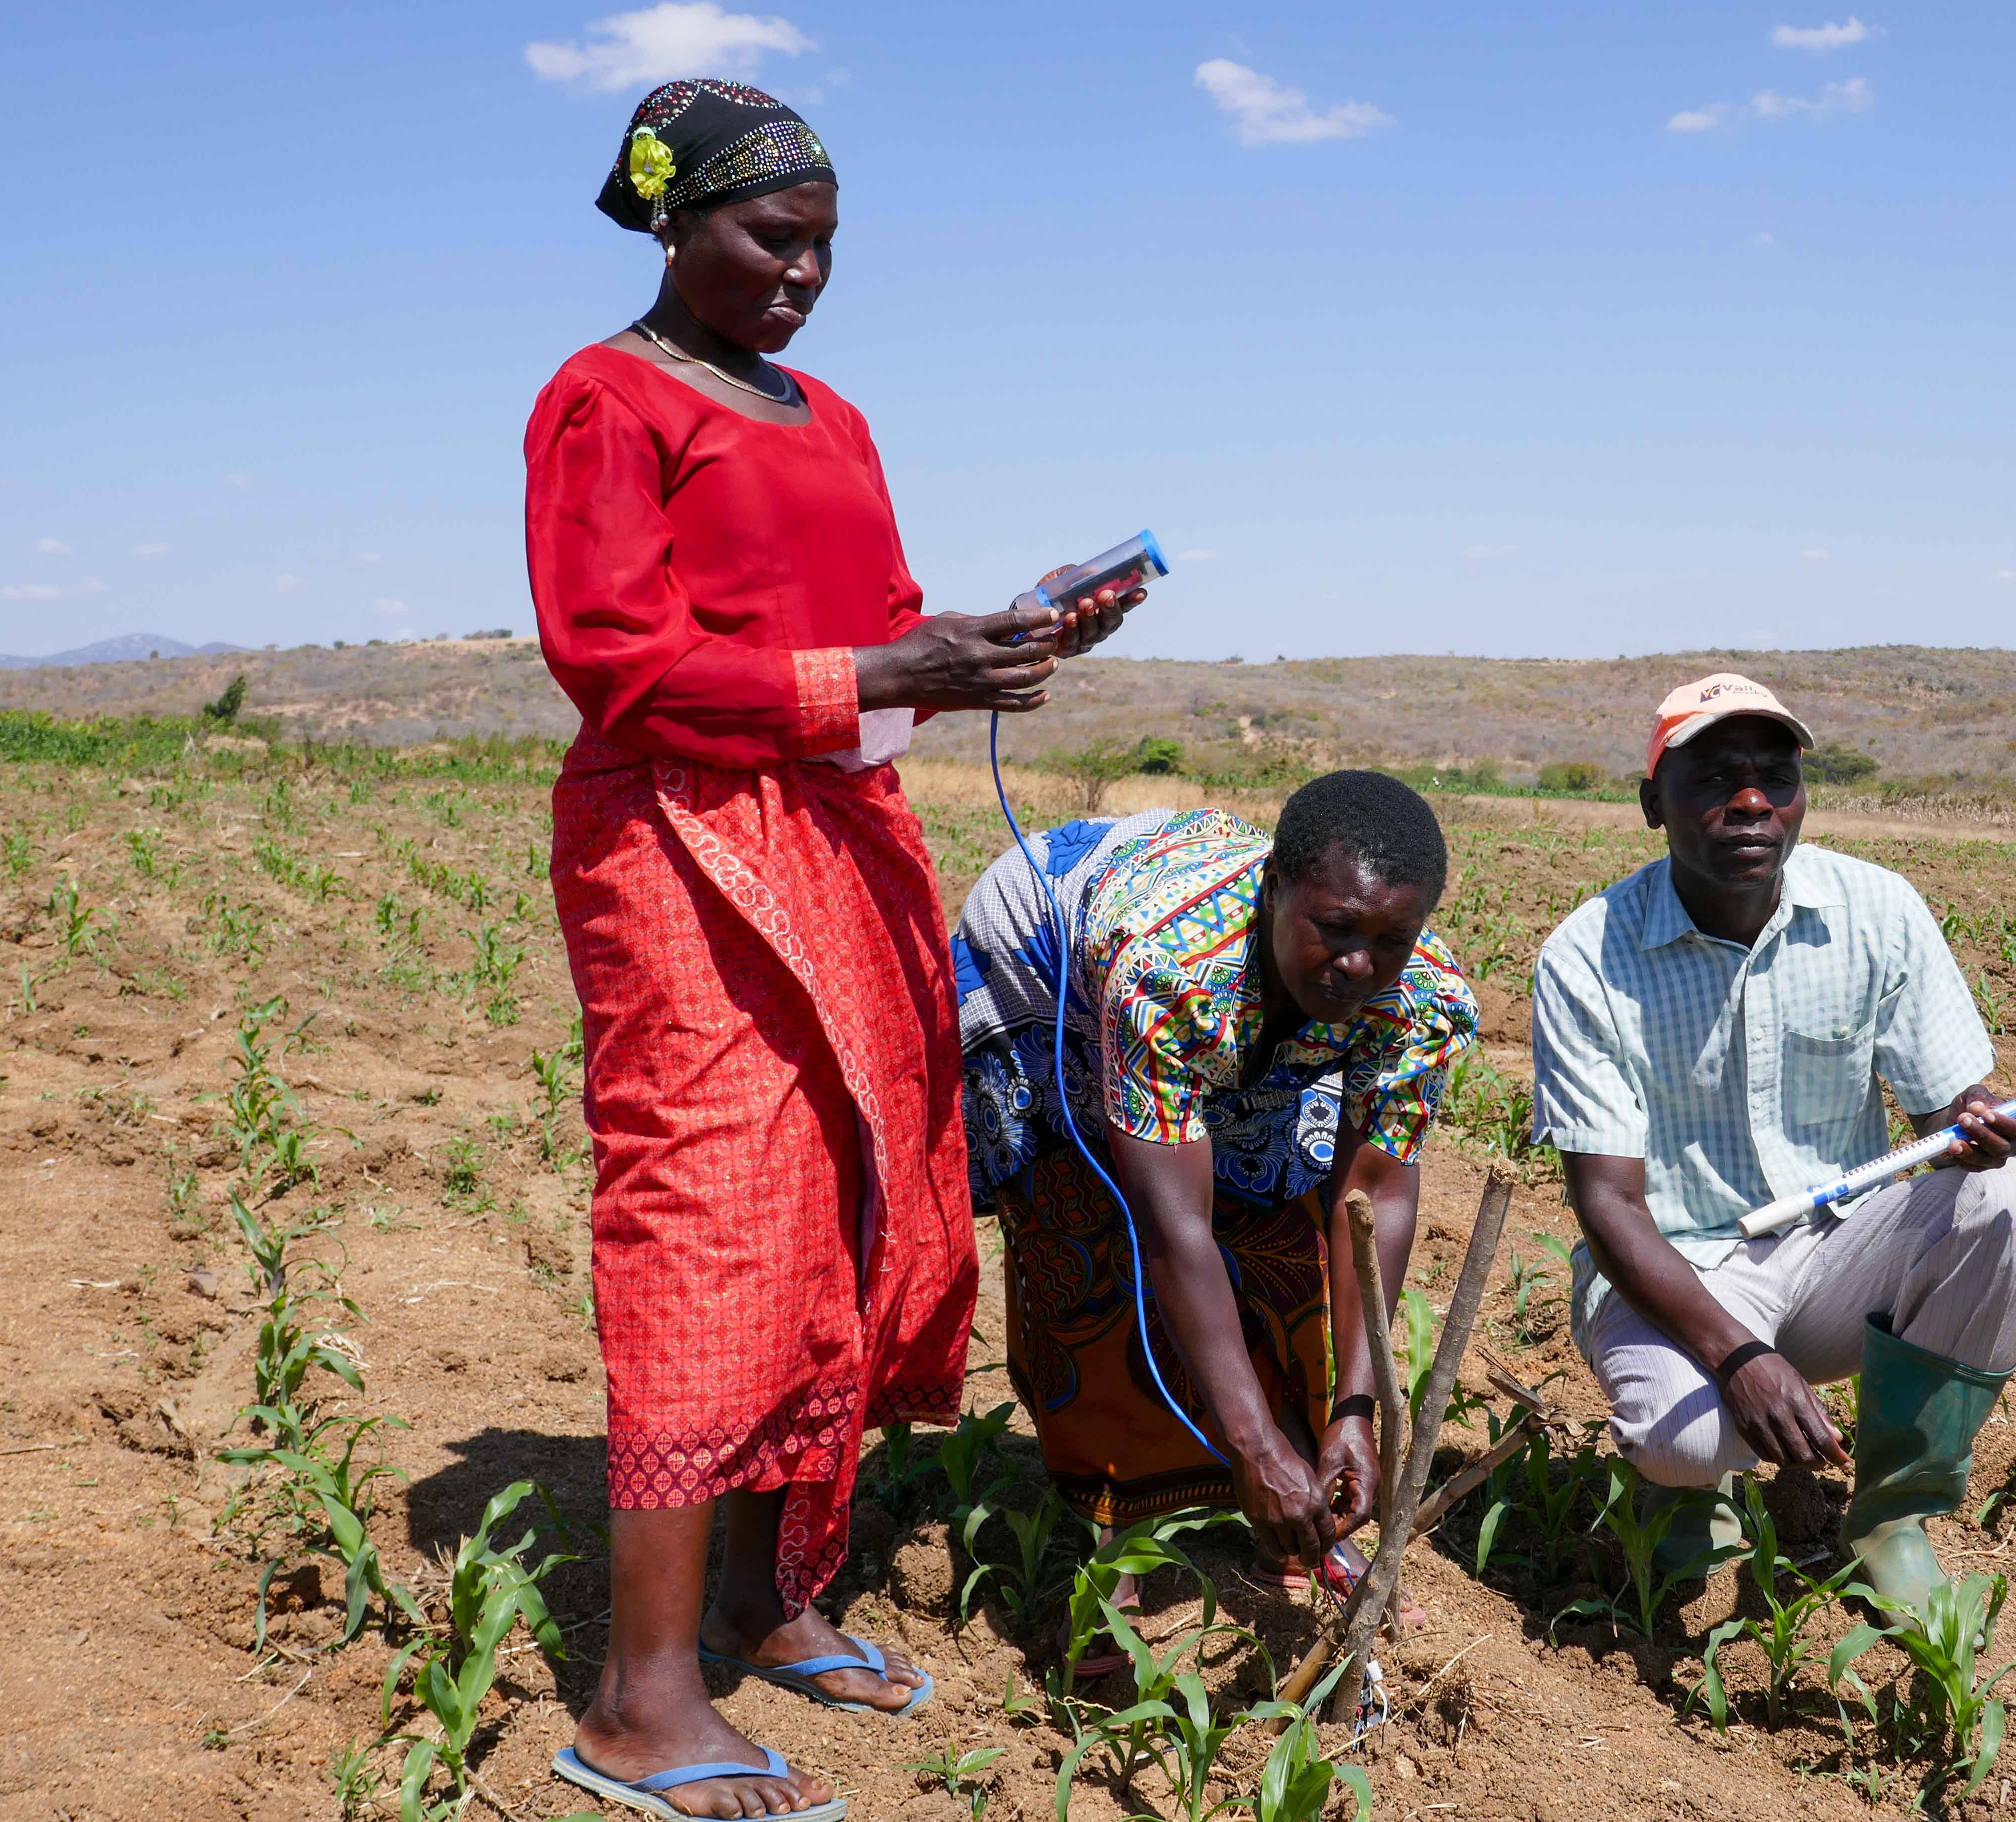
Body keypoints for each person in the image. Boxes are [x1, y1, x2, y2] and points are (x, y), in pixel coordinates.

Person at [528, 79, 1144, 1821]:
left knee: (851, 1198)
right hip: (681, 841)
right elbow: (616, 658)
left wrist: (1001, 646)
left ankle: (773, 1587)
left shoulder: (833, 416)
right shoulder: (606, 394)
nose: (801, 277)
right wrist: (884, 672)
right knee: (710, 1211)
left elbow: (872, 652)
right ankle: (642, 1700)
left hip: (840, 831)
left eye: (824, 249)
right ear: (675, 224)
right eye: (768, 239)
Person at [1529, 675, 2016, 1616]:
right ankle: (1697, 1494)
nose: (1750, 801)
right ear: (1654, 802)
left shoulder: (1876, 910)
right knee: (1684, 1445)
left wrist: (1977, 1121)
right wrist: (1740, 1359)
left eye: (1774, 777)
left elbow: (1947, 1103)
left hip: (1837, 1257)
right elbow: (1608, 1206)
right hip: (1680, 1269)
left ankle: (1894, 1515)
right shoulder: (1588, 955)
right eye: (1714, 779)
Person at [949, 773, 1478, 1655]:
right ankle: (1125, 1545)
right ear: (1274, 888)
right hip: (1051, 957)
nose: (1359, 966)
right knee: (1090, 1219)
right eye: (1336, 929)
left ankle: (1303, 1510)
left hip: (1210, 987)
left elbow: (1370, 1195)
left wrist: (1355, 1409)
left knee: (1276, 1207)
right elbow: (1172, 1231)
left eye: (1392, 939)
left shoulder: (1419, 999)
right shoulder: (1165, 974)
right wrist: (1252, 1442)